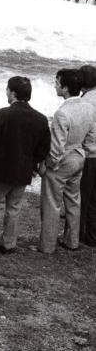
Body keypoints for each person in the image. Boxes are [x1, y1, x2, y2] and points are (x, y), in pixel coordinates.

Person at [0, 76, 50, 254]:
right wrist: (32, 163)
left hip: (0, 169)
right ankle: (8, 244)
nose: (6, 92)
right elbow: (43, 149)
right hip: (23, 170)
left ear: (13, 93)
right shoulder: (41, 119)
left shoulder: (2, 114)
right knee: (14, 208)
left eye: (7, 89)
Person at [39, 68, 96, 253]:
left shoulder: (61, 113)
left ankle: (47, 245)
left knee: (51, 203)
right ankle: (72, 241)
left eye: (56, 82)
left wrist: (49, 165)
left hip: (63, 160)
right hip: (79, 157)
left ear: (64, 88)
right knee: (73, 201)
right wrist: (83, 153)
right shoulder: (88, 107)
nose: (55, 85)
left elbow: (56, 147)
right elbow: (91, 136)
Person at [78, 65, 96, 245]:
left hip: (91, 154)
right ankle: (92, 235)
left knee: (84, 196)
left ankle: (81, 234)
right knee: (94, 199)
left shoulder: (86, 102)